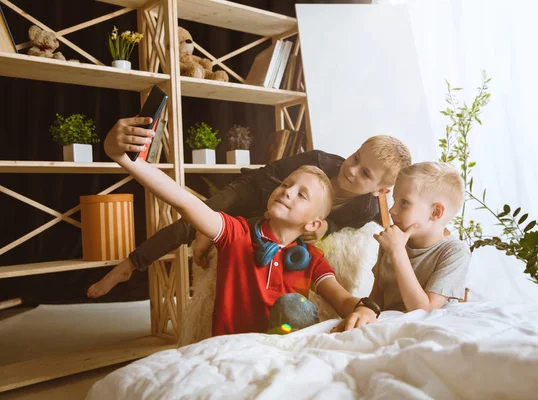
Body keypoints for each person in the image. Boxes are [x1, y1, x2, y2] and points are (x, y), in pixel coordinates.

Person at [102, 120, 380, 335]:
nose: (287, 191)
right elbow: (185, 202)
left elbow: (342, 299)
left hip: (283, 355)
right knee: (194, 222)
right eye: (286, 185)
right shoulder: (238, 235)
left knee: (294, 308)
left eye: (301, 194)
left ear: (314, 223)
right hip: (235, 351)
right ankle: (133, 262)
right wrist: (127, 159)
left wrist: (365, 308)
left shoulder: (312, 260)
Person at [333, 162, 471, 332]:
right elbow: (377, 298)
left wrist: (397, 252)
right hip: (390, 326)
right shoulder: (392, 241)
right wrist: (364, 313)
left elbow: (425, 312)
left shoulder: (454, 252)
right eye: (395, 201)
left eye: (404, 202)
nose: (392, 210)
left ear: (435, 212)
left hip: (428, 331)